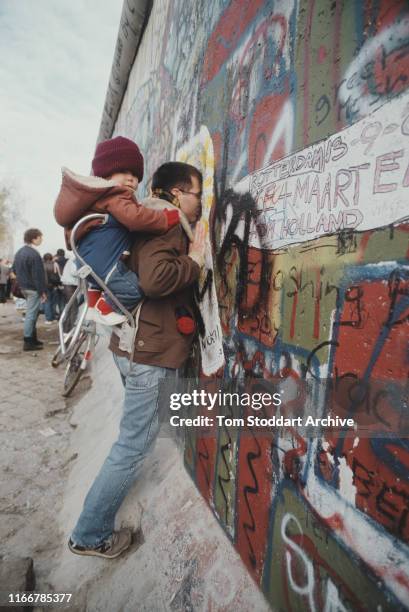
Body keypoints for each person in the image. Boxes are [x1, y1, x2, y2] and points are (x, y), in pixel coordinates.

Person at [68, 161, 206, 559]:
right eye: (197, 193)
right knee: (131, 446)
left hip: (129, 347)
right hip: (150, 353)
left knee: (135, 436)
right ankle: (89, 535)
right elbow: (155, 279)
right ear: (178, 193)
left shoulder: (142, 216)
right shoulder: (167, 222)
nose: (199, 202)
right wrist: (195, 262)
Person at [54, 136, 180, 325]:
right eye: (122, 171)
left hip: (85, 260)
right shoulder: (115, 194)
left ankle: (91, 307)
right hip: (105, 262)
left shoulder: (95, 200)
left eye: (135, 174)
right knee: (133, 290)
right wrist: (165, 218)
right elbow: (135, 217)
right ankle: (104, 309)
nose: (131, 178)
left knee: (96, 283)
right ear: (106, 175)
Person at [13, 229, 47, 351]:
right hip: (33, 288)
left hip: (23, 287)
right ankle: (28, 341)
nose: (41, 240)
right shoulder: (34, 254)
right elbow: (38, 275)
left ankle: (33, 339)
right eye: (40, 237)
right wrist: (42, 291)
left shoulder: (19, 253)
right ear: (34, 239)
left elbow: (14, 270)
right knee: (31, 315)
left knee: (32, 313)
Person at [43, 253, 61, 324]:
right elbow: (58, 274)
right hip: (54, 285)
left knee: (47, 302)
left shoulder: (42, 265)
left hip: (45, 286)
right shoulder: (55, 264)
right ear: (51, 258)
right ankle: (54, 317)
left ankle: (48, 319)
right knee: (54, 302)